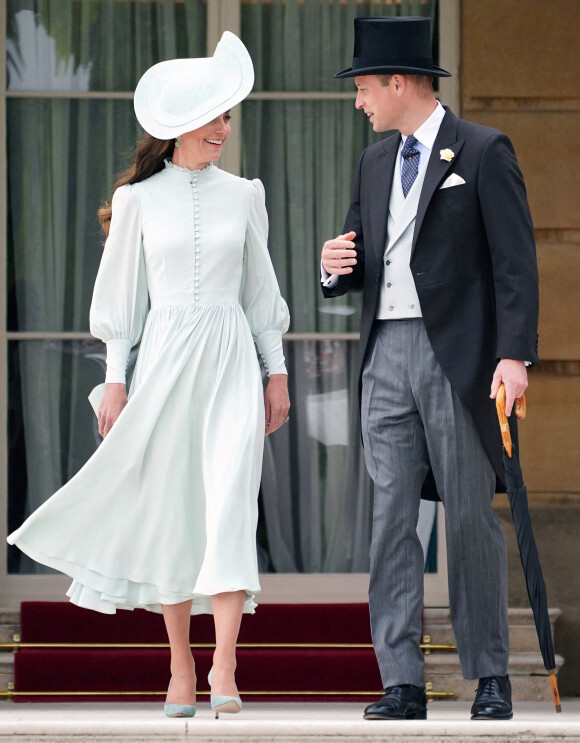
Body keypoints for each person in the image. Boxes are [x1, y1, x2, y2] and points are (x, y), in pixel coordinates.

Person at [8, 32, 290, 719]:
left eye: (229, 116)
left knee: (229, 507)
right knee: (172, 515)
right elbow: (121, 303)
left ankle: (225, 661)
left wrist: (275, 373)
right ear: (185, 122)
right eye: (218, 116)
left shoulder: (244, 195)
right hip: (163, 361)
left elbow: (260, 296)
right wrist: (114, 378)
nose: (226, 128)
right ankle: (181, 665)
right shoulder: (137, 201)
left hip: (230, 363)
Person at [321, 17, 538, 721]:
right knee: (390, 518)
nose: (359, 101)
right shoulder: (374, 162)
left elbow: (514, 263)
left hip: (459, 358)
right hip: (385, 355)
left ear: (398, 82)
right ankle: (402, 680)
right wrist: (333, 269)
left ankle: (490, 675)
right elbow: (363, 253)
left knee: (470, 514)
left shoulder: (481, 150)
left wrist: (514, 355)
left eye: (362, 87)